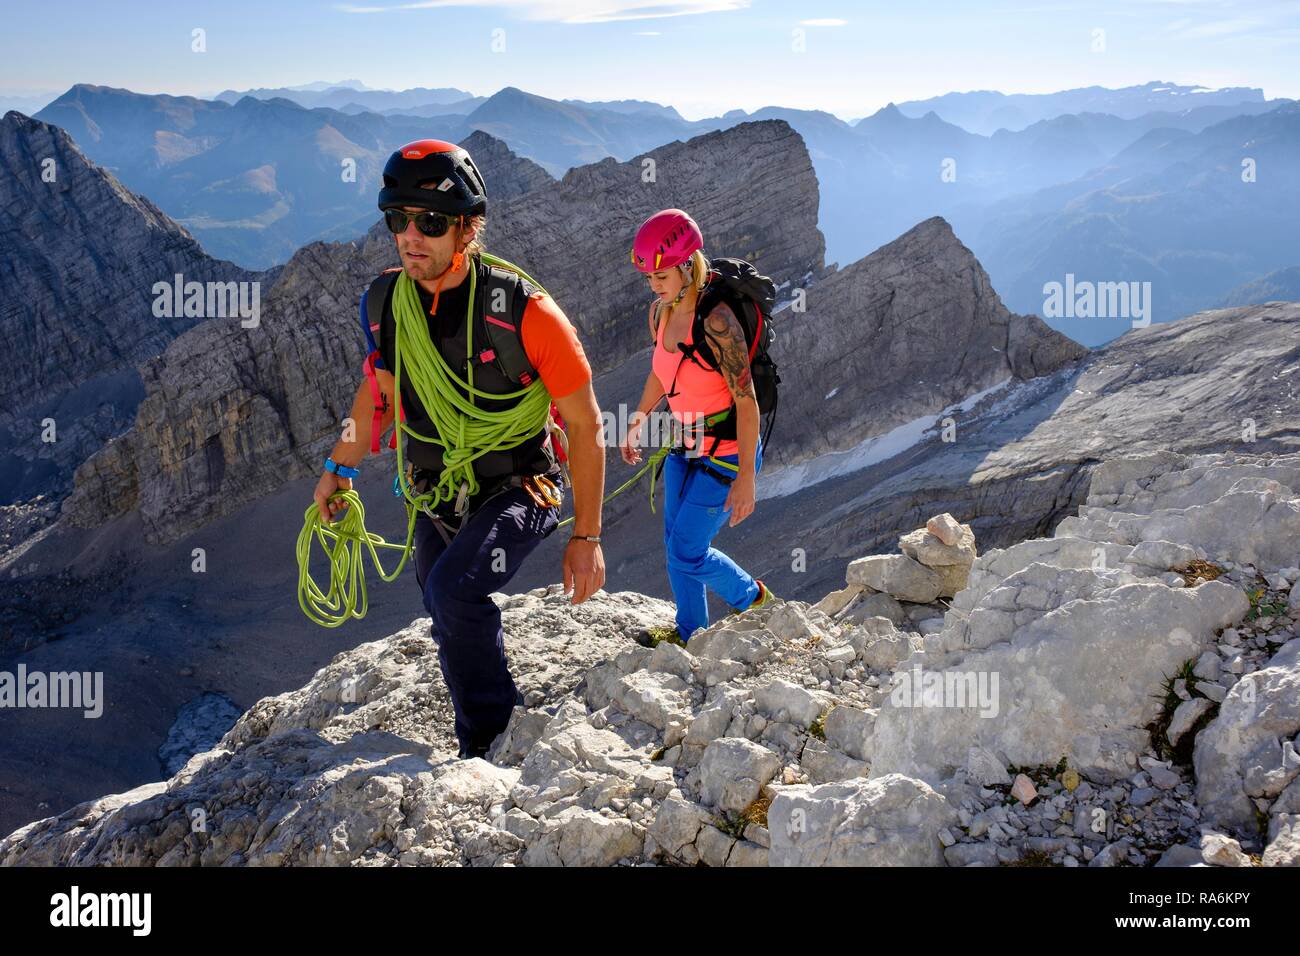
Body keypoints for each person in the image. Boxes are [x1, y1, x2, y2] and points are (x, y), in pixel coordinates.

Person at [313, 139, 606, 759]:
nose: (411, 236)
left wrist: (587, 538)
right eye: (399, 219)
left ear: (468, 229)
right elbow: (378, 397)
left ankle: (488, 742)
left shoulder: (525, 314)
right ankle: (496, 718)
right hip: (436, 492)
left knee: (453, 593)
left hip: (521, 485)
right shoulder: (386, 305)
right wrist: (338, 468)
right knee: (443, 604)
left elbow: (584, 425)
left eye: (431, 222)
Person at [620, 208, 775, 645]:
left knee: (687, 551)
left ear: (688, 264)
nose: (654, 286)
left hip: (726, 452)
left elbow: (747, 403)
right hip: (686, 444)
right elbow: (661, 373)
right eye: (649, 278)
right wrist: (638, 421)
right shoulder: (660, 313)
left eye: (661, 276)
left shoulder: (719, 322)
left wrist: (746, 478)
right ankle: (692, 634)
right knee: (676, 547)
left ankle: (752, 598)